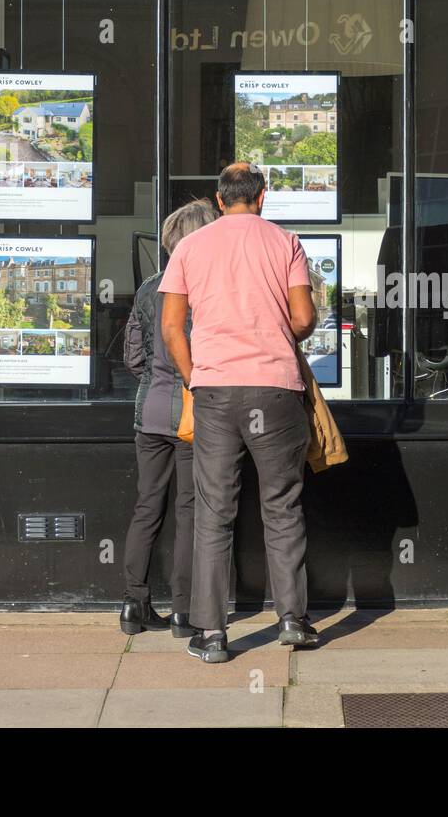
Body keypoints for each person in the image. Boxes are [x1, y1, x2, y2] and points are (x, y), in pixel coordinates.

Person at [159, 162, 319, 663]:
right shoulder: (286, 243)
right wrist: (272, 336)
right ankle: (292, 618)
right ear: (262, 197)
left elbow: (170, 328)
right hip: (274, 389)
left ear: (219, 197)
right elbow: (304, 318)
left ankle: (211, 635)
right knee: (282, 504)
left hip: (215, 391)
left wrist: (195, 376)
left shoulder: (189, 246)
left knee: (213, 511)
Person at [119, 198, 219, 637]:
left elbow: (132, 355)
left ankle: (133, 604)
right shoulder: (205, 287)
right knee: (189, 510)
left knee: (147, 506)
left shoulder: (147, 288)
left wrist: (154, 381)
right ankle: (183, 612)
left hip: (149, 411)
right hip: (192, 414)